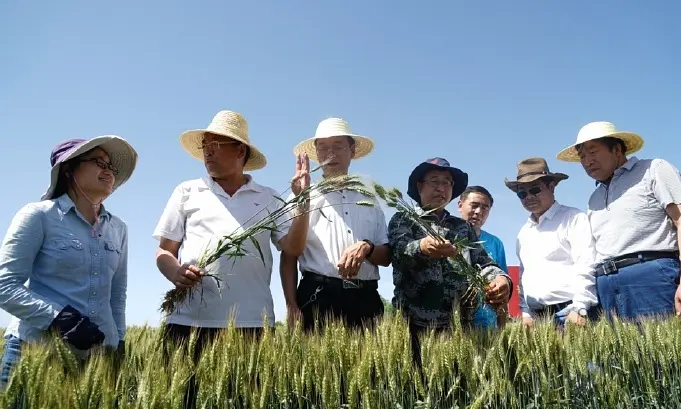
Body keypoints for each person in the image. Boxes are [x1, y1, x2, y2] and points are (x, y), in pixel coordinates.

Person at [153, 110, 311, 358]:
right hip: (188, 323)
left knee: (245, 398)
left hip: (252, 324)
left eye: (215, 144)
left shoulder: (269, 197)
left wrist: (303, 202)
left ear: (240, 151)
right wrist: (175, 271)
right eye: (205, 145)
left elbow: (292, 248)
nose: (207, 151)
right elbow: (165, 251)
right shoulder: (187, 191)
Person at [0, 136, 138, 390]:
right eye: (99, 162)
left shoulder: (119, 229)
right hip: (34, 352)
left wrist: (118, 341)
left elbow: (117, 295)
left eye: (111, 166)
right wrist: (58, 318)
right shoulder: (38, 215)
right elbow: (4, 285)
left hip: (96, 362)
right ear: (68, 169)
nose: (108, 170)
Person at [556, 121, 681, 321]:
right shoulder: (594, 198)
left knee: (657, 351)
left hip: (651, 278)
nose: (586, 161)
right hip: (606, 287)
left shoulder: (654, 169)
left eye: (593, 152)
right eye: (582, 156)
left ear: (617, 149)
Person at [388, 158, 512, 369]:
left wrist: (501, 279)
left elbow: (484, 262)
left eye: (447, 183)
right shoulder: (403, 220)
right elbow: (399, 252)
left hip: (459, 329)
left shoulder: (462, 228)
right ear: (420, 186)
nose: (441, 188)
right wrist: (422, 247)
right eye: (434, 181)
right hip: (413, 328)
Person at [280, 118, 390, 332]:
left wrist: (367, 247)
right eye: (323, 148)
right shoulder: (300, 195)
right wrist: (291, 304)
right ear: (316, 154)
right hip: (318, 298)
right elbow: (289, 255)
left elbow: (386, 256)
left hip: (366, 300)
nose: (330, 153)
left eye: (338, 146)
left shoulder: (370, 198)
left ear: (352, 150)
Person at [505, 157, 598, 328]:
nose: (529, 197)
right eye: (522, 193)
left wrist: (580, 307)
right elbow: (524, 275)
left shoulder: (573, 218)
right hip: (537, 319)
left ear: (551, 186)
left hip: (570, 313)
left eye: (535, 190)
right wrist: (525, 312)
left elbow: (586, 264)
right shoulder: (524, 232)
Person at [458, 185, 508, 329]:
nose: (478, 212)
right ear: (460, 205)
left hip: (488, 327)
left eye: (485, 208)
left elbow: (503, 292)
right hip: (455, 328)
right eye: (474, 205)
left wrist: (501, 330)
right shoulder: (446, 237)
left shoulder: (496, 243)